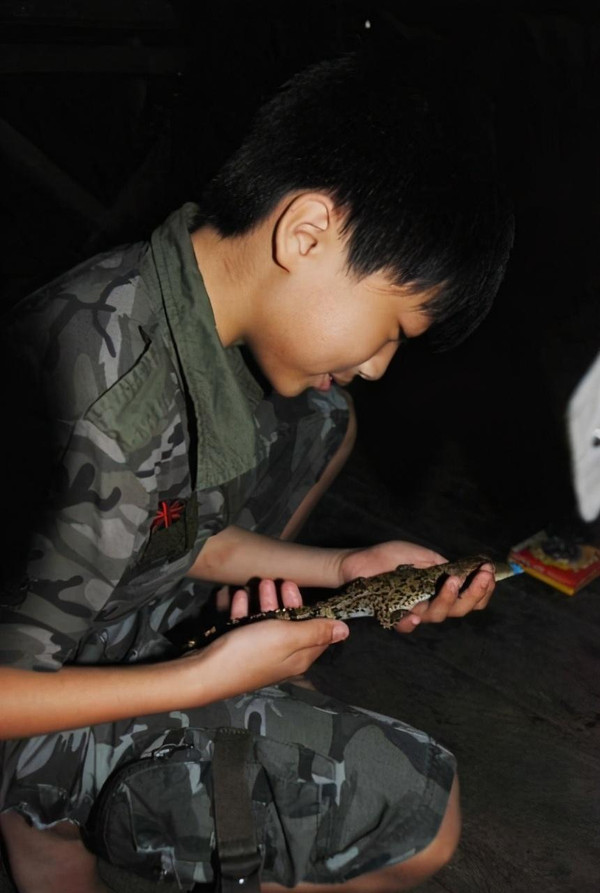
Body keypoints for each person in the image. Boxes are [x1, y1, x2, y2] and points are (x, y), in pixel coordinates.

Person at [0, 44, 514, 893]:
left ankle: (61, 809)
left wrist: (345, 570)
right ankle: (43, 808)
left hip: (83, 624)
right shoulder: (108, 417)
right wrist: (206, 677)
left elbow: (175, 531)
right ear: (306, 233)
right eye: (392, 329)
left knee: (322, 417)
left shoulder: (175, 295)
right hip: (27, 699)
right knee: (417, 819)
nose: (380, 364)